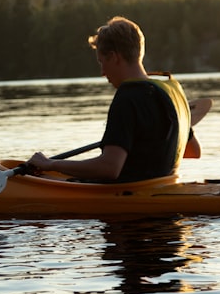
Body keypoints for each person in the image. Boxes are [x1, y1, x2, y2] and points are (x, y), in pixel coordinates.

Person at [28, 16, 195, 183]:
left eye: (102, 62)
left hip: (129, 194)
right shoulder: (173, 90)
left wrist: (51, 164)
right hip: (166, 187)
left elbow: (109, 169)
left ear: (114, 57)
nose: (102, 72)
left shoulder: (128, 98)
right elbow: (193, 151)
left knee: (41, 178)